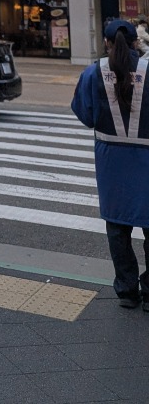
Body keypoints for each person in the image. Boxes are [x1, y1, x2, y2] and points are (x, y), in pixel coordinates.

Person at [72, 20, 149, 308]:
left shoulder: (94, 72)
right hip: (147, 159)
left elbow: (85, 113)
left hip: (111, 161)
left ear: (106, 42)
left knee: (118, 227)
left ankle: (127, 291)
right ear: (135, 42)